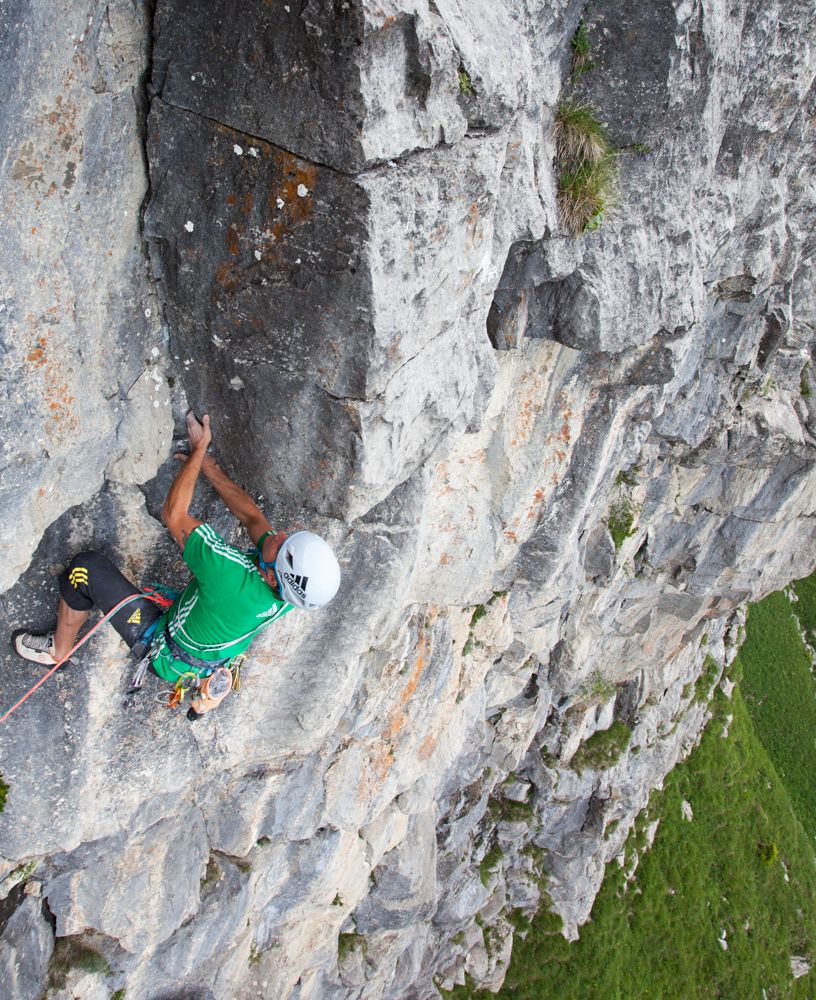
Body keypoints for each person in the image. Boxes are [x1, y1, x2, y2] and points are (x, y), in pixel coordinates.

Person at [12, 411, 341, 718]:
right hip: (209, 649)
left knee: (85, 569)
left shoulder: (231, 576)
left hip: (165, 652)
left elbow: (175, 516)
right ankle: (204, 696)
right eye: (289, 537)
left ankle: (59, 651)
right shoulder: (289, 592)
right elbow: (252, 517)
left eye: (283, 545)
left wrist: (199, 452)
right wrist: (210, 467)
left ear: (272, 577)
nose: (280, 535)